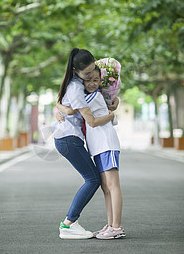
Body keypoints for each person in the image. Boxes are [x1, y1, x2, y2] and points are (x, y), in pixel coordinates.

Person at [52, 48, 117, 239]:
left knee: (92, 179)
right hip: (68, 139)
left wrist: (115, 101)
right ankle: (68, 224)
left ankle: (69, 223)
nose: (90, 76)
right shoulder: (75, 88)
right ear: (75, 70)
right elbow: (92, 121)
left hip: (69, 138)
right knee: (93, 180)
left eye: (92, 71)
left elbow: (103, 97)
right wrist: (111, 116)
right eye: (86, 73)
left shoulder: (79, 83)